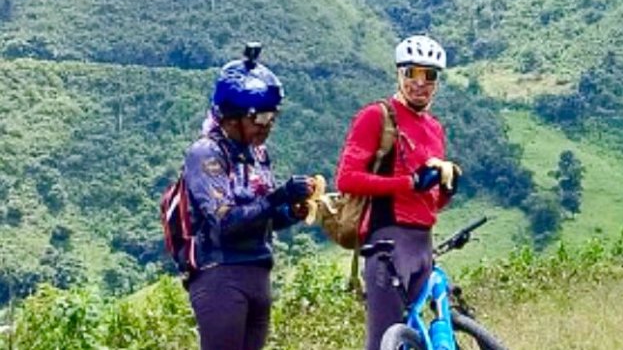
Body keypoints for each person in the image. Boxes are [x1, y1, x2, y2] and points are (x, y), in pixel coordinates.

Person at [183, 44, 314, 350]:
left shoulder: (257, 153)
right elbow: (224, 220)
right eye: (261, 118)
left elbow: (263, 218)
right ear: (233, 117)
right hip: (222, 276)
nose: (268, 125)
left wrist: (291, 211)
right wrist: (277, 196)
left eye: (273, 117)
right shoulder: (206, 153)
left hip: (258, 274)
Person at [335, 34, 462, 350]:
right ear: (399, 73)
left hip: (422, 242)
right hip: (387, 243)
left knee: (418, 337)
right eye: (411, 73)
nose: (419, 83)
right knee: (384, 339)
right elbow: (347, 179)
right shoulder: (377, 116)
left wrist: (445, 189)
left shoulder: (434, 128)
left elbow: (429, 201)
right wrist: (408, 182)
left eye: (429, 75)